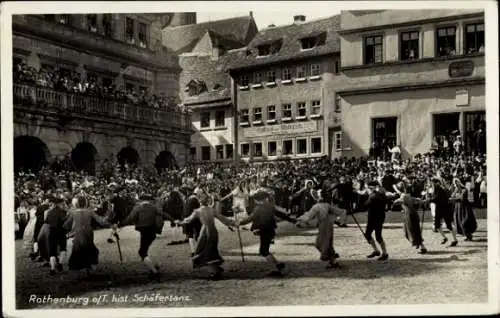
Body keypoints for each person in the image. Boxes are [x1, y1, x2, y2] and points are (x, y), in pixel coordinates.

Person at [179, 192, 235, 280]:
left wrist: (178, 222)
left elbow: (188, 220)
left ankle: (214, 272)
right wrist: (233, 223)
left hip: (205, 232)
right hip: (213, 231)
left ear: (199, 201)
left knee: (203, 251)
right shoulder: (212, 210)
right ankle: (215, 268)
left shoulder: (197, 211)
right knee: (212, 249)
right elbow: (223, 219)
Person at [236, 192, 286, 277]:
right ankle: (277, 265)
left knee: (263, 251)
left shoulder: (258, 208)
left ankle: (276, 269)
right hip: (270, 230)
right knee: (265, 249)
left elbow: (250, 218)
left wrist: (239, 223)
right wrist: (292, 220)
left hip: (264, 231)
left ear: (257, 200)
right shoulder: (270, 206)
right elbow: (280, 215)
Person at [119, 193, 167, 279]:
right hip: (153, 232)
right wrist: (175, 220)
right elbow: (164, 214)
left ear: (141, 200)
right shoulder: (153, 207)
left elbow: (130, 218)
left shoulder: (138, 207)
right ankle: (153, 266)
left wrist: (120, 224)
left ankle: (154, 272)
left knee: (142, 252)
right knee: (144, 250)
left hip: (144, 232)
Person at [64, 195, 111, 274]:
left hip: (78, 232)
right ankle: (90, 268)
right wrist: (108, 219)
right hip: (88, 232)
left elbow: (66, 225)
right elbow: (101, 221)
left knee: (78, 249)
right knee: (91, 248)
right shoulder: (89, 211)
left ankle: (81, 267)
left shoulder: (73, 212)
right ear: (86, 203)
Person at [296, 190, 342, 269]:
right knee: (327, 243)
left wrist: (299, 219)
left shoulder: (317, 206)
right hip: (328, 224)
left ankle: (330, 257)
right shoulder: (327, 205)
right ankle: (333, 261)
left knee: (320, 243)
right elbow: (340, 212)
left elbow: (308, 216)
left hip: (324, 225)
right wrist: (339, 220)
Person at [393, 182, 428, 254]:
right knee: (411, 230)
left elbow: (396, 202)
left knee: (412, 231)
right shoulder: (407, 195)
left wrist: (395, 199)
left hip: (409, 215)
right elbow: (417, 200)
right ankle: (417, 244)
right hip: (412, 214)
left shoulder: (403, 196)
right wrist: (421, 201)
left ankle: (422, 246)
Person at [363, 181, 389, 261]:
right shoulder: (380, 194)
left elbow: (365, 205)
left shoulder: (373, 196)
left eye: (368, 188)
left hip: (375, 218)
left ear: (372, 187)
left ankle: (384, 253)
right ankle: (377, 251)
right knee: (369, 234)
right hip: (378, 217)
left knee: (375, 236)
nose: (367, 189)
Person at [428, 178, 458, 246]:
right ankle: (444, 238)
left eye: (433, 183)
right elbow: (435, 198)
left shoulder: (440, 190)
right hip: (439, 209)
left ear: (436, 183)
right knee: (437, 225)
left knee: (448, 225)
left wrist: (428, 200)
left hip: (445, 209)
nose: (432, 185)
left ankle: (455, 240)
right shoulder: (436, 190)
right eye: (432, 183)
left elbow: (437, 199)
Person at [43, 197, 69, 275]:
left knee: (52, 251)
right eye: (62, 203)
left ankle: (52, 269)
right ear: (59, 204)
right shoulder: (63, 212)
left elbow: (46, 221)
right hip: (61, 232)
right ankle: (60, 264)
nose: (63, 205)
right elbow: (66, 223)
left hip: (52, 232)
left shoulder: (49, 212)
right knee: (63, 248)